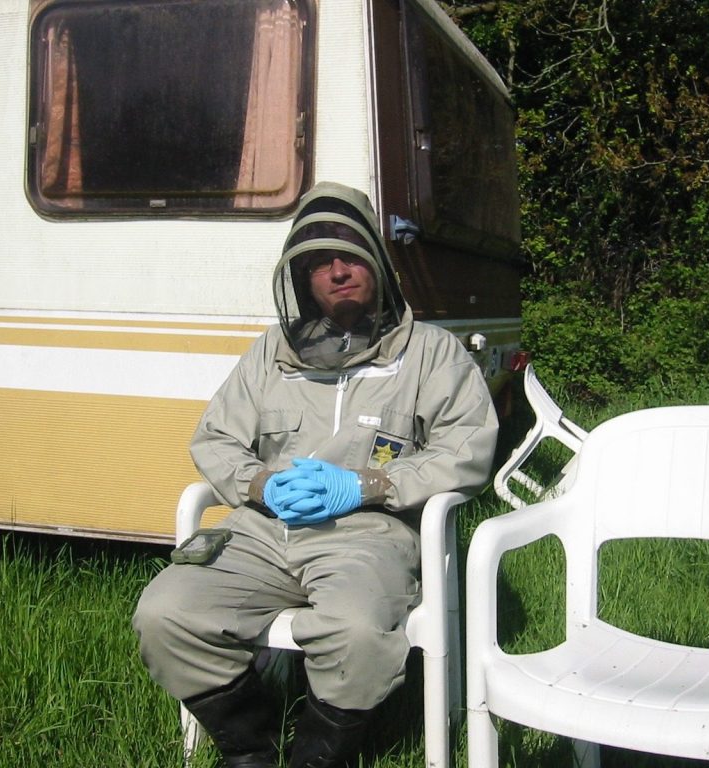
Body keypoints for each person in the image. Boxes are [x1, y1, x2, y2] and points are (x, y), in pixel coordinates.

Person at [132, 181, 498, 768]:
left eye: (350, 254)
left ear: (378, 262)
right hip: (263, 531)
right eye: (319, 262)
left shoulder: (432, 353)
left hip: (369, 533)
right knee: (165, 613)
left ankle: (317, 757)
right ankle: (250, 748)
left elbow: (469, 448)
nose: (337, 271)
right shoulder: (270, 353)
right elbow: (216, 438)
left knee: (355, 630)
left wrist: (369, 485)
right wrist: (259, 485)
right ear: (302, 278)